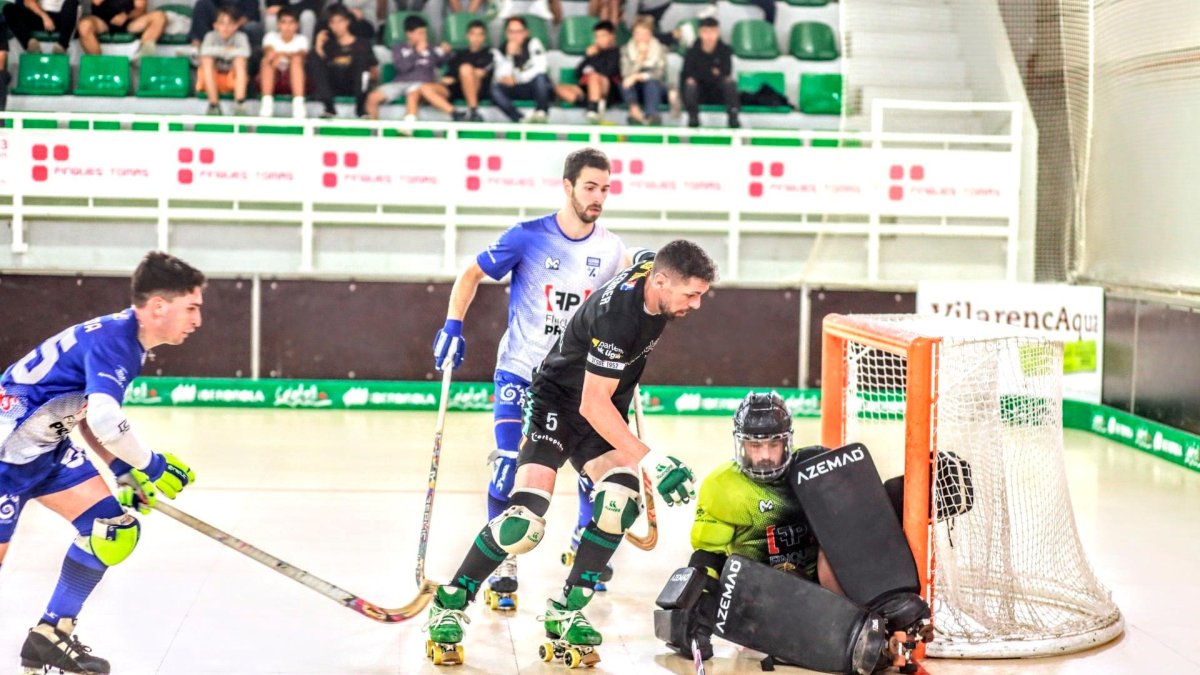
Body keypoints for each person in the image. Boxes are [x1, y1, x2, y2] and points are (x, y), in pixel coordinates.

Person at [424, 238, 716, 666]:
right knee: (523, 525)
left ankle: (565, 610)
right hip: (559, 404)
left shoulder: (654, 272)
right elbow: (590, 405)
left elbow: (641, 257)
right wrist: (650, 459)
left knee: (619, 502)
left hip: (603, 408)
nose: (696, 304)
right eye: (691, 294)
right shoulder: (618, 317)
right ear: (662, 282)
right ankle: (450, 602)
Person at [432, 148, 631, 612]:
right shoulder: (528, 237)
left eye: (605, 188)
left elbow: (622, 313)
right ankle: (503, 562)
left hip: (577, 382)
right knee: (510, 467)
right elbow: (472, 273)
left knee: (600, 475)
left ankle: (584, 541)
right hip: (521, 372)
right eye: (590, 187)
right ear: (568, 186)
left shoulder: (611, 250)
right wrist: (452, 325)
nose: (598, 197)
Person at [0, 251, 201, 674]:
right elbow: (108, 419)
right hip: (4, 457)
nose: (197, 320)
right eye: (192, 308)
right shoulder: (117, 343)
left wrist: (122, 468)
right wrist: (153, 466)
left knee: (112, 529)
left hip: (45, 451)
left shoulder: (122, 337)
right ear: (159, 307)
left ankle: (50, 635)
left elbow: (92, 411)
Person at [655, 392, 935, 669]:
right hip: (763, 598)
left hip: (827, 584)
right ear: (740, 445)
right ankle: (864, 638)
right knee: (768, 581)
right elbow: (710, 556)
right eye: (755, 446)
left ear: (787, 442)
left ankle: (882, 607)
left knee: (841, 536)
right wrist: (697, 604)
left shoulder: (814, 466)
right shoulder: (722, 487)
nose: (764, 455)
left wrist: (913, 494)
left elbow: (863, 513)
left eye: (773, 444)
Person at [364, 14, 449, 120]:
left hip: (422, 84)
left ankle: (407, 130)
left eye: (424, 33)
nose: (424, 37)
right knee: (373, 97)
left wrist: (445, 52)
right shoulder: (399, 48)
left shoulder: (431, 50)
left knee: (412, 94)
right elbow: (402, 67)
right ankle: (374, 130)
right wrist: (417, 53)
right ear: (409, 34)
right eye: (420, 33)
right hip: (400, 83)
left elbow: (440, 64)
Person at [307, 4, 377, 118]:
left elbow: (374, 73)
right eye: (333, 22)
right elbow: (318, 70)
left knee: (361, 59)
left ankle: (361, 109)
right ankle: (329, 108)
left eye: (340, 21)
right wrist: (319, 46)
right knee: (313, 56)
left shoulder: (362, 44)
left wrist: (365, 74)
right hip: (334, 84)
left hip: (355, 84)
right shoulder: (329, 45)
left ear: (347, 21)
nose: (337, 26)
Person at [424, 18, 492, 122]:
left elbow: (479, 74)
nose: (476, 38)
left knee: (466, 69)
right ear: (468, 36)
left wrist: (457, 78)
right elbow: (449, 76)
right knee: (425, 88)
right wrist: (444, 79)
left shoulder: (489, 54)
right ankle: (456, 114)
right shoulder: (458, 55)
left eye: (480, 34)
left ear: (484, 37)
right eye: (473, 34)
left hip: (476, 90)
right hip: (455, 90)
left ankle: (473, 111)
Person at [554, 20, 620, 124]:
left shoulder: (616, 52)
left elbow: (607, 71)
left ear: (611, 36)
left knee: (593, 76)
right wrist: (588, 56)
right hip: (587, 89)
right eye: (597, 37)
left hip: (608, 89)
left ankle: (592, 110)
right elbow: (578, 72)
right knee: (559, 88)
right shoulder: (593, 52)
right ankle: (590, 103)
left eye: (603, 36)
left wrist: (593, 56)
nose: (599, 40)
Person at [490, 16, 551, 124]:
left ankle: (541, 113)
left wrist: (518, 78)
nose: (515, 36)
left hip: (532, 87)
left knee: (541, 78)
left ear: (526, 32)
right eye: (511, 32)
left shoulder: (534, 44)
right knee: (494, 89)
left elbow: (541, 67)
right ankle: (519, 118)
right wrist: (509, 56)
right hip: (514, 88)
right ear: (506, 34)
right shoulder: (499, 51)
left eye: (519, 32)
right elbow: (500, 77)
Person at [681, 16, 738, 129]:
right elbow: (687, 73)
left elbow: (726, 72)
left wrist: (702, 71)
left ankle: (733, 117)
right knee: (690, 84)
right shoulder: (692, 51)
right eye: (706, 32)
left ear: (718, 32)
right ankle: (693, 118)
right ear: (700, 33)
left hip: (718, 91)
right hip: (699, 91)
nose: (709, 36)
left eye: (712, 32)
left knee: (729, 82)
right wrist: (712, 71)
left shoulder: (725, 50)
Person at [197, 6, 251, 116]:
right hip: (214, 78)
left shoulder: (241, 36)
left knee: (240, 60)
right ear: (215, 25)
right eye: (222, 23)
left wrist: (219, 52)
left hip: (233, 79)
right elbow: (204, 51)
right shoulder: (210, 36)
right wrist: (227, 51)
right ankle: (214, 105)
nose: (225, 27)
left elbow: (246, 52)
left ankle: (239, 103)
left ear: (236, 26)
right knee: (206, 60)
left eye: (230, 23)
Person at [260, 8, 309, 118]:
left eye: (291, 22)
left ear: (297, 25)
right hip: (274, 76)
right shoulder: (270, 37)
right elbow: (269, 52)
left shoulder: (301, 39)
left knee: (296, 61)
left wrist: (281, 55)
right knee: (266, 61)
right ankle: (267, 103)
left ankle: (299, 104)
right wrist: (283, 56)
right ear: (278, 25)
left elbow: (301, 54)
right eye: (284, 22)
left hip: (295, 79)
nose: (287, 27)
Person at [77, 0, 168, 60]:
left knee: (159, 17)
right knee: (84, 26)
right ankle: (100, 66)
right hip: (102, 21)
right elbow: (96, 1)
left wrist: (126, 15)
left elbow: (141, 8)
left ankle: (141, 58)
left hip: (129, 21)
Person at [619, 16, 668, 126]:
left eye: (645, 34)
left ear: (650, 34)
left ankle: (652, 116)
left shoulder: (660, 49)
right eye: (638, 33)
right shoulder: (626, 50)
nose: (641, 37)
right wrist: (640, 59)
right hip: (634, 87)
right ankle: (634, 111)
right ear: (633, 34)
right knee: (625, 84)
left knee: (651, 83)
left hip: (655, 85)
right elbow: (625, 73)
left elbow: (660, 73)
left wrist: (639, 76)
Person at [2, 0, 79, 55]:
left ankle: (62, 46)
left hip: (62, 19)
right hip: (41, 17)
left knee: (72, 2)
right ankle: (30, 44)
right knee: (8, 8)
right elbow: (28, 2)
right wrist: (44, 16)